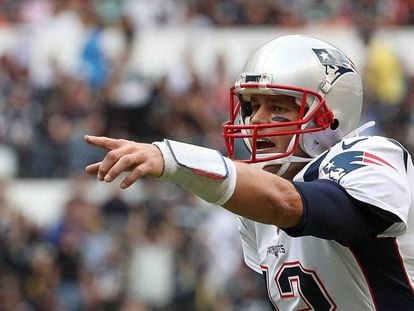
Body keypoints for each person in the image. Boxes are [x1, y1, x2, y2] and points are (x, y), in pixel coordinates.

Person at [84, 35, 414, 309]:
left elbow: (289, 205)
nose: (256, 120)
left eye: (277, 107)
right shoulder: (262, 194)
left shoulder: (372, 155)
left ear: (328, 117)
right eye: (252, 106)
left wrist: (173, 160)